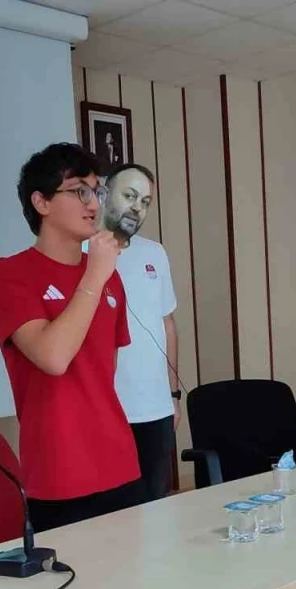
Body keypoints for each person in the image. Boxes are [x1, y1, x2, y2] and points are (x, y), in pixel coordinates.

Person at [0, 143, 142, 532]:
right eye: (79, 191)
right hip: (60, 471)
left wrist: (97, 274)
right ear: (41, 202)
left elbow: (104, 371)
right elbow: (53, 358)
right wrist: (94, 276)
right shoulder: (10, 275)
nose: (94, 204)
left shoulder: (107, 277)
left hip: (119, 460)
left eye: (97, 191)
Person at [101, 163, 179, 503]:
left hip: (157, 410)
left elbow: (167, 323)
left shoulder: (154, 253)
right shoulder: (83, 252)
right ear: (104, 194)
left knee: (155, 508)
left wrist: (173, 396)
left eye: (145, 202)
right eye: (130, 196)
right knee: (114, 514)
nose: (137, 208)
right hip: (108, 412)